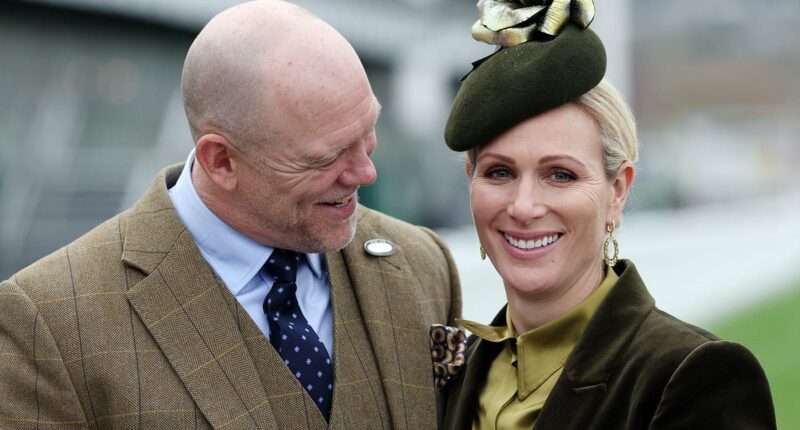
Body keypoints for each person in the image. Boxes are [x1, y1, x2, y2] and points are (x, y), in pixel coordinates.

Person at [0, 1, 460, 429]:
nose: (366, 172)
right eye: (328, 157)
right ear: (221, 161)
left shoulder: (423, 266)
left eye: (369, 133)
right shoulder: (49, 324)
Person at [438, 1, 776, 429]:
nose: (523, 207)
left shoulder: (694, 377)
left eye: (560, 175)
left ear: (617, 191)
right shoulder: (459, 372)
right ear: (471, 181)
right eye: (499, 172)